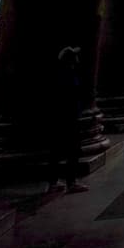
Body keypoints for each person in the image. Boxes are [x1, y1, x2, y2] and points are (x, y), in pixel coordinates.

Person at [48, 46, 88, 194]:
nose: (78, 59)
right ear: (70, 59)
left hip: (63, 117)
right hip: (67, 118)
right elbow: (71, 96)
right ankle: (70, 182)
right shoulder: (67, 75)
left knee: (57, 150)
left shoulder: (62, 74)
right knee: (72, 150)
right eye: (75, 56)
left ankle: (54, 182)